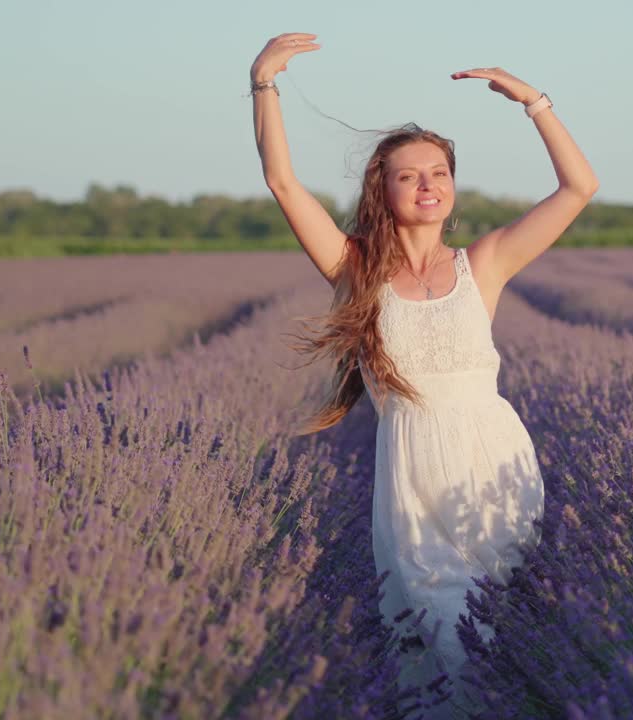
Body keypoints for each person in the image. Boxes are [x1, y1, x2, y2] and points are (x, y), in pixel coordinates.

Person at [249, 33, 599, 719]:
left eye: (439, 172)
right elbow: (282, 183)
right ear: (382, 188)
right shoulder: (355, 271)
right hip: (413, 473)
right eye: (409, 174)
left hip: (495, 463)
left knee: (503, 624)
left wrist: (534, 102)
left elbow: (580, 187)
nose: (428, 185)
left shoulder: (486, 263)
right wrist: (264, 84)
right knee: (434, 628)